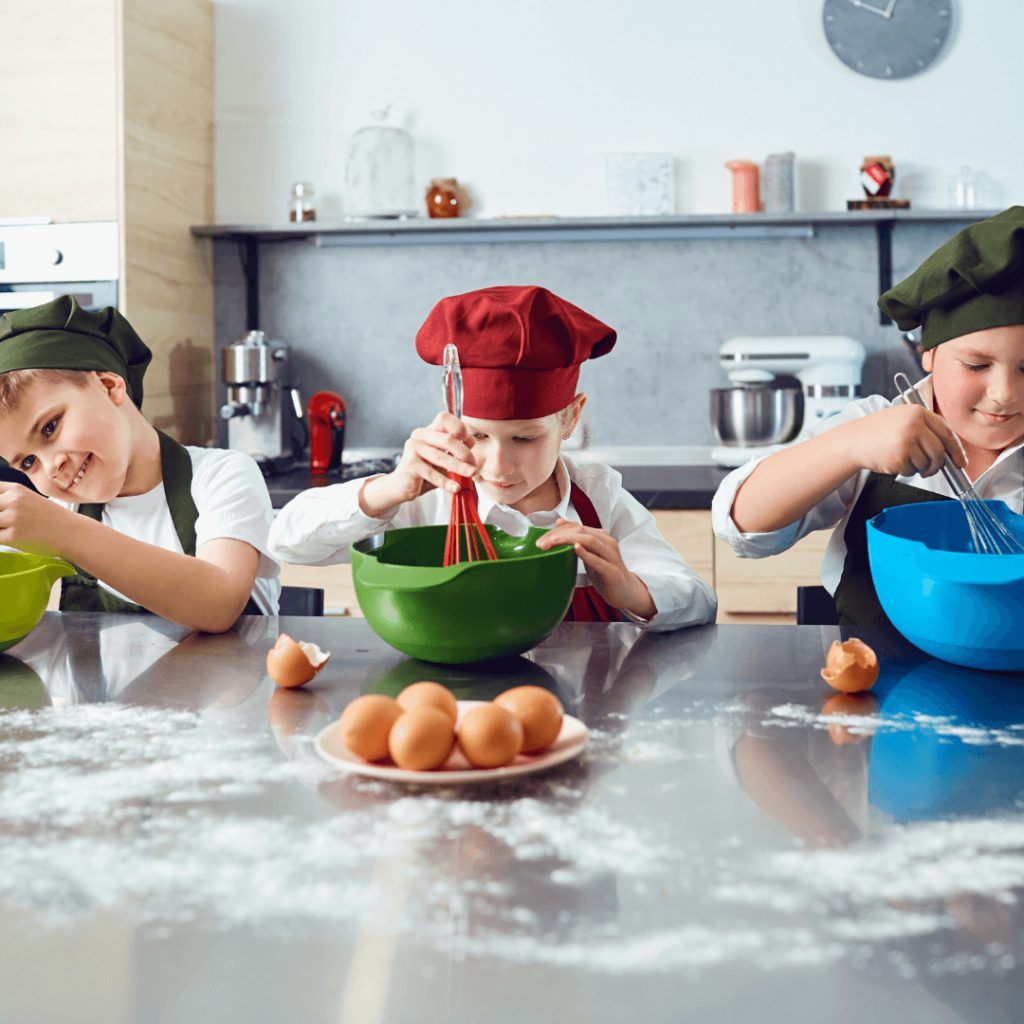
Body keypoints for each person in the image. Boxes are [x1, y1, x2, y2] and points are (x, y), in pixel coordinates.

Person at [269, 285, 716, 630]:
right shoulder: (423, 498)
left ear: (569, 419)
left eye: (524, 439)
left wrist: (632, 591)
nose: (498, 465)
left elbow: (698, 600)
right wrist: (386, 491)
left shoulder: (599, 499)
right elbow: (286, 542)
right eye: (478, 435)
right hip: (448, 711)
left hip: (577, 714)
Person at [712, 205, 1024, 627]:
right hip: (871, 683)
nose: (1004, 394)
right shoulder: (874, 425)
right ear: (926, 352)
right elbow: (742, 527)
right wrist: (850, 445)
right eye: (975, 365)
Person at [0, 296, 280, 631]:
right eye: (28, 461)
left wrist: (64, 532)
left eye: (50, 427)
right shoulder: (60, 509)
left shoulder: (223, 476)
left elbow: (219, 603)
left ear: (108, 386)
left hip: (237, 683)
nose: (51, 468)